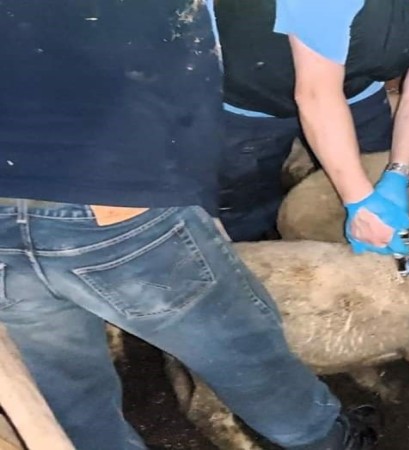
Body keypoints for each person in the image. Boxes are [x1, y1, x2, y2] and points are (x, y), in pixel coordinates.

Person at [0, 1, 377, 449]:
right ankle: (323, 438)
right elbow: (190, 92)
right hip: (116, 206)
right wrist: (203, 203)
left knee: (66, 389)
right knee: (239, 344)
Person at [215, 0, 409, 252]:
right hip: (253, 93)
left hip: (355, 88)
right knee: (242, 205)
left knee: (373, 181)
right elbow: (316, 95)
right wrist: (358, 200)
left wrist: (399, 171)